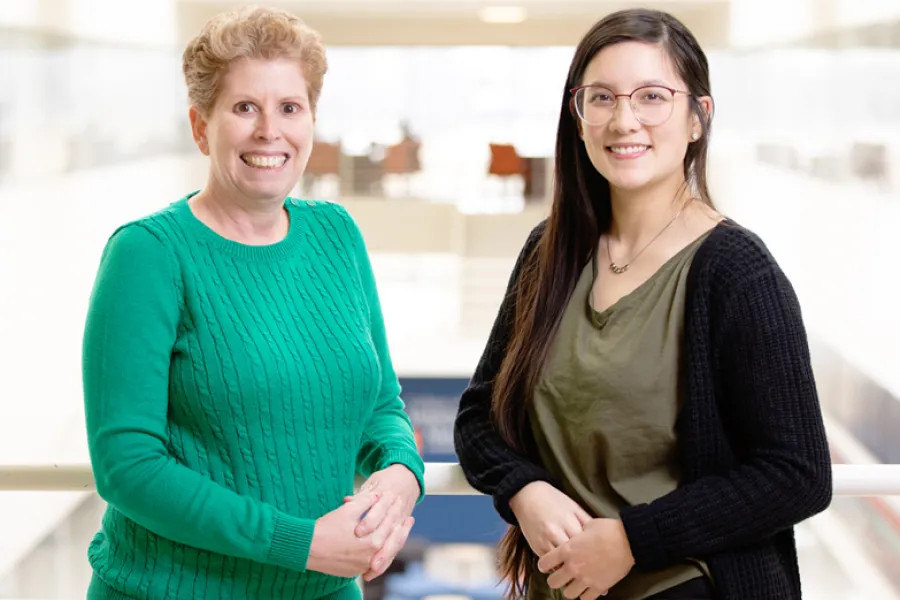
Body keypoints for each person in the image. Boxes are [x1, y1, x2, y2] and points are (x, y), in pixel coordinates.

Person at [453, 8, 831, 600]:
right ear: (578, 118)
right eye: (601, 97)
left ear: (698, 118)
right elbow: (480, 417)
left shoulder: (737, 271)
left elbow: (798, 474)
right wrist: (524, 490)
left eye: (652, 96)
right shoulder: (549, 252)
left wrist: (632, 540)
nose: (624, 120)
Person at [81, 6, 424, 599]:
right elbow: (127, 466)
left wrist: (400, 474)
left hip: (326, 591)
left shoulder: (337, 235)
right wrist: (301, 543)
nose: (271, 131)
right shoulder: (148, 255)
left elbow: (380, 405)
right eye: (245, 108)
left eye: (290, 108)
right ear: (200, 126)